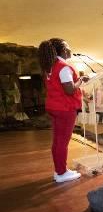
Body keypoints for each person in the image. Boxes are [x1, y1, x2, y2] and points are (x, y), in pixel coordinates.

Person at [38, 38, 89, 183]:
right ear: (64, 50)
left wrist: (76, 80)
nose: (70, 49)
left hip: (54, 106)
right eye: (68, 46)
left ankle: (59, 170)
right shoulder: (63, 66)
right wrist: (81, 80)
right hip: (65, 108)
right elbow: (69, 89)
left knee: (57, 141)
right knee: (62, 142)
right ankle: (61, 173)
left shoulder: (50, 66)